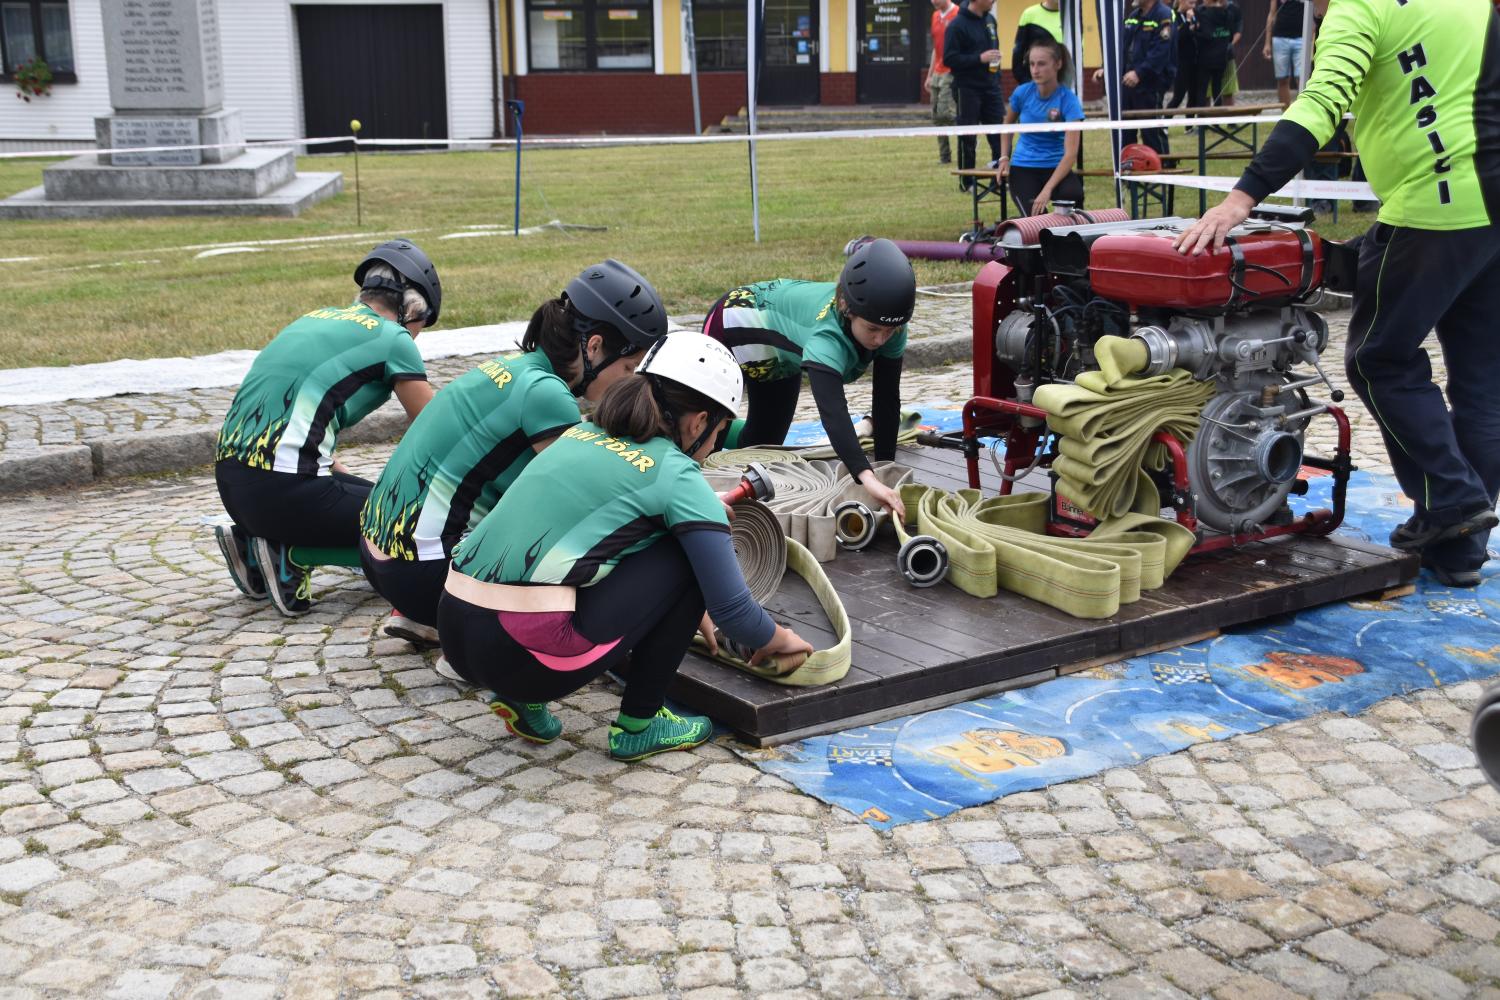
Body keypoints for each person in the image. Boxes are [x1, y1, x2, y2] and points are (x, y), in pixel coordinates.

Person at [1176, 0, 1500, 588]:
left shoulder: (1360, 8)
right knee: (1481, 384)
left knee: (1379, 360)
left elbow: (1321, 103)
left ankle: (1453, 498)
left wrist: (1242, 197)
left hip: (1435, 204)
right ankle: (1459, 550)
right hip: (1492, 200)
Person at [437, 334, 814, 761]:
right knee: (683, 554)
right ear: (698, 422)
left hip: (454, 627)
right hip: (525, 655)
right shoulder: (678, 475)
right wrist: (779, 639)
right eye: (720, 432)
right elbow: (735, 614)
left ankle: (521, 697)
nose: (714, 446)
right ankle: (640, 724)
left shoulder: (581, 433)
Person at [358, 260, 667, 647]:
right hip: (420, 574)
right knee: (581, 548)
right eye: (629, 367)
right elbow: (588, 501)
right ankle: (471, 647)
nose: (630, 382)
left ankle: (427, 615)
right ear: (594, 347)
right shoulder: (548, 395)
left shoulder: (516, 367)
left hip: (379, 555)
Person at [214, 240, 440, 617]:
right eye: (423, 324)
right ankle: (291, 554)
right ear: (413, 308)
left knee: (367, 495)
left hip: (233, 486)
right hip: (286, 492)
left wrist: (342, 477)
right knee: (413, 520)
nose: (418, 335)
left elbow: (290, 425)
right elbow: (438, 427)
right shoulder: (394, 339)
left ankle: (252, 542)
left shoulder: (314, 319)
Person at [704, 238, 916, 521]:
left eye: (889, 331)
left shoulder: (891, 326)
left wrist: (886, 473)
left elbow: (886, 400)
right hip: (732, 325)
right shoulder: (826, 337)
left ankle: (727, 432)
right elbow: (833, 412)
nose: (880, 339)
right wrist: (867, 477)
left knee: (761, 448)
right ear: (846, 307)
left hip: (780, 356)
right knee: (705, 444)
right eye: (872, 329)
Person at [998, 40, 1086, 216]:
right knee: (1038, 220)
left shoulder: (1068, 100)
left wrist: (1047, 190)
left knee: (1074, 195)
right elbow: (1007, 125)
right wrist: (1004, 158)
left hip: (1056, 167)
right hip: (1023, 167)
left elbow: (1071, 154)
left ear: (1058, 64)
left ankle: (1069, 232)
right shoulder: (1022, 93)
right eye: (1032, 64)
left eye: (1041, 64)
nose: (1035, 70)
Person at [1096, 0, 1177, 154]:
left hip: (1150, 85)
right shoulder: (1133, 16)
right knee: (1125, 133)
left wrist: (1139, 73)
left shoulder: (1164, 15)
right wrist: (1106, 68)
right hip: (1127, 84)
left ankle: (1162, 167)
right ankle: (1129, 167)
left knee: (1151, 133)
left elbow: (1160, 52)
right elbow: (1121, 45)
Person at [943, 0, 1006, 185]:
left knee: (999, 134)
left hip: (991, 87)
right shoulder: (957, 25)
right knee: (968, 136)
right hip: (967, 88)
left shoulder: (990, 20)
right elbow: (950, 59)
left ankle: (1000, 178)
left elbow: (993, 49)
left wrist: (996, 72)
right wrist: (979, 58)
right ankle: (968, 181)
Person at [925, 0, 960, 165]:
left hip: (951, 70)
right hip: (937, 72)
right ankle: (944, 157)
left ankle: (969, 134)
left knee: (945, 113)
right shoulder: (935, 16)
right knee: (936, 116)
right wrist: (929, 75)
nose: (933, 1)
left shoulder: (958, 14)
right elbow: (936, 48)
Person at [1188, 0, 1235, 110]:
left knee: (1202, 90)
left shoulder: (1205, 14)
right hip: (1221, 57)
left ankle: (1202, 118)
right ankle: (1217, 117)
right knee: (1217, 89)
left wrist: (1193, 32)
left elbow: (1206, 36)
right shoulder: (1228, 14)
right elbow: (1231, 36)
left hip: (1206, 58)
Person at [1011, 0, 1063, 86]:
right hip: (1035, 82)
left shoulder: (1071, 16)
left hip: (1064, 82)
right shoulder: (1029, 14)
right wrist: (1025, 81)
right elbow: (1018, 52)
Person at [1264, 0, 1306, 107]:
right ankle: (1285, 113)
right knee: (1282, 79)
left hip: (1302, 38)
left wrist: (1311, 37)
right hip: (1280, 38)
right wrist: (1267, 43)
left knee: (1301, 78)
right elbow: (1272, 13)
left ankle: (1303, 110)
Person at [1166, 0, 1200, 112]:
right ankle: (1165, 119)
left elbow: (1196, 33)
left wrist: (1194, 27)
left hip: (1194, 60)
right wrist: (1188, 22)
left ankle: (1189, 121)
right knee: (1178, 96)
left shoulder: (1194, 14)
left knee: (1193, 96)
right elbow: (1178, 37)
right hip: (1181, 61)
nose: (1193, 6)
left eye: (1194, 3)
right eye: (1190, 3)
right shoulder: (1174, 15)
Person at [1218, 0, 1243, 106]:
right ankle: (1206, 116)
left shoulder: (1234, 9)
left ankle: (1229, 117)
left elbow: (1238, 31)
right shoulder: (1205, 8)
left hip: (1227, 55)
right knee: (1206, 92)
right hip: (1208, 55)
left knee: (1228, 91)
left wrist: (1231, 44)